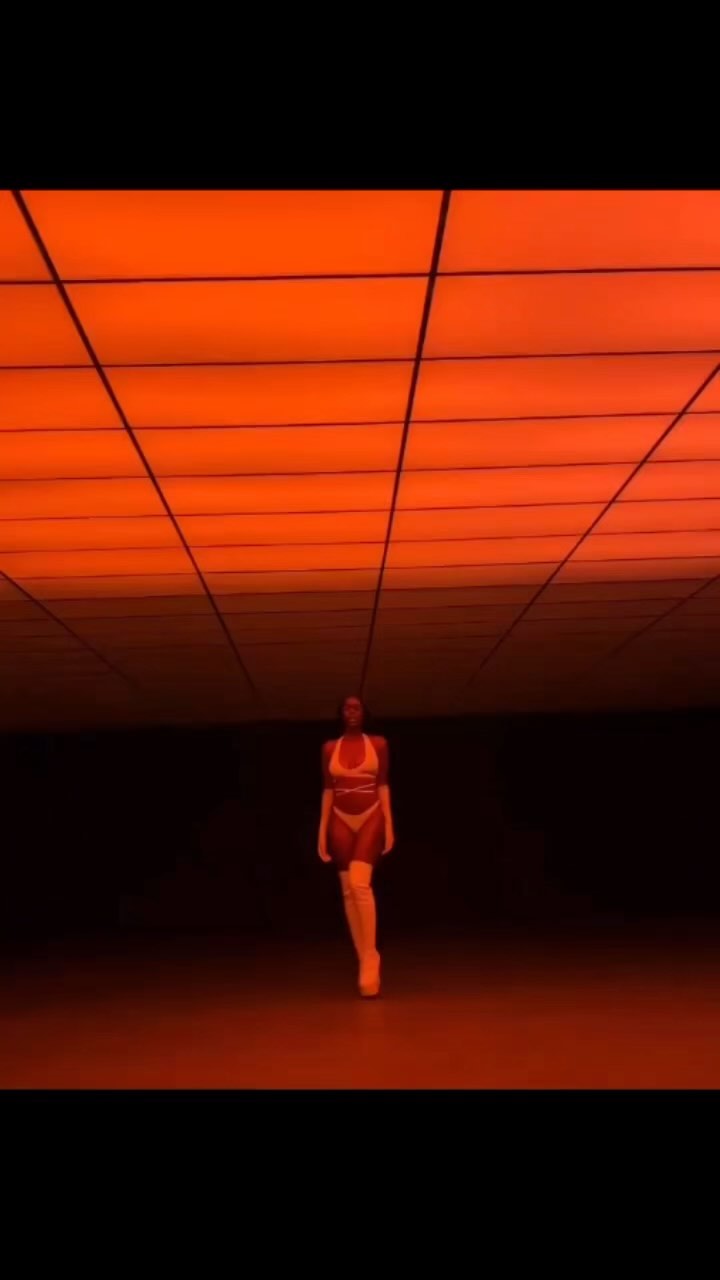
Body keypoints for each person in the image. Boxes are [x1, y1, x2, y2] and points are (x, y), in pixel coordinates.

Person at [318, 695, 394, 997]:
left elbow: (383, 784)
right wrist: (321, 832)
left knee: (360, 885)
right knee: (348, 890)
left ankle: (371, 956)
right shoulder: (329, 748)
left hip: (370, 814)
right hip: (339, 817)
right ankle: (363, 959)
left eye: (357, 707)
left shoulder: (378, 744)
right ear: (341, 713)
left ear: (364, 713)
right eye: (347, 708)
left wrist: (389, 824)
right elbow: (327, 789)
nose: (351, 711)